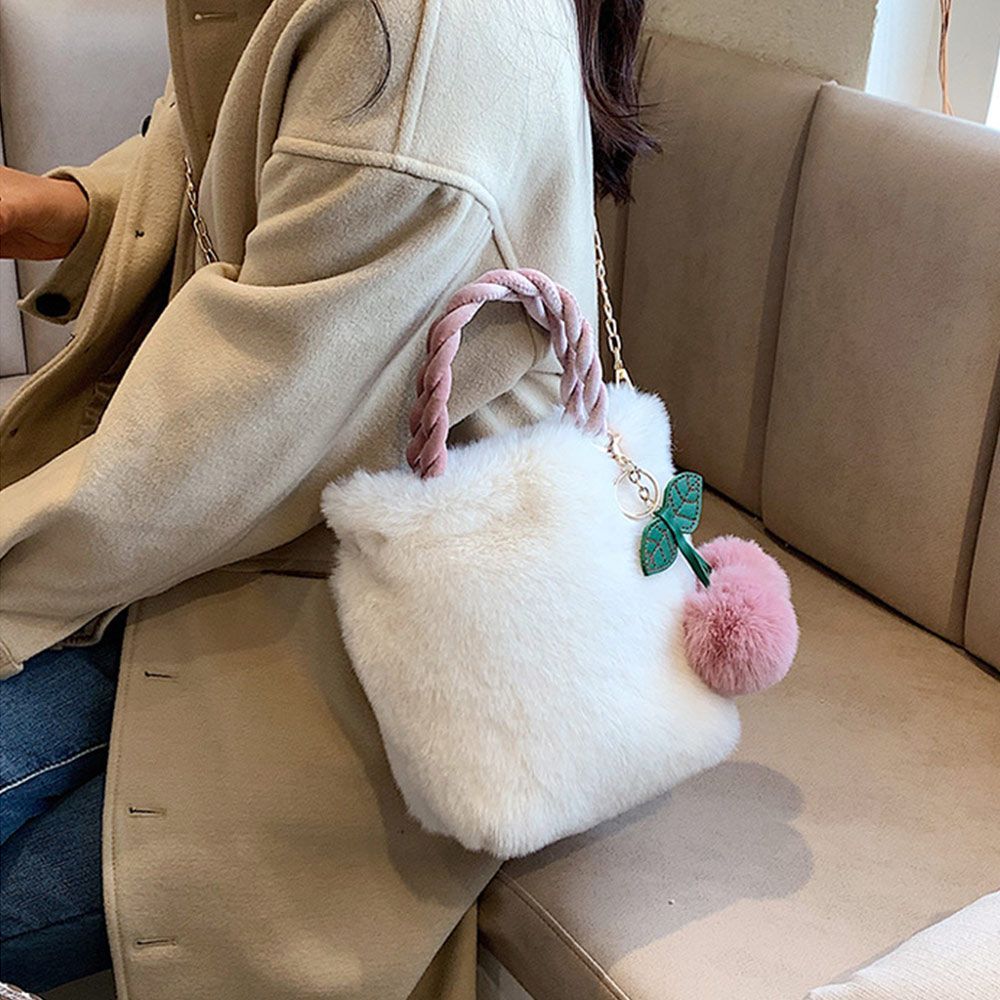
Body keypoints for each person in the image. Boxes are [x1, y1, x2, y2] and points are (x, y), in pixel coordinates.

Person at [0, 0, 654, 995]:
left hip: (370, 629)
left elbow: (232, 436)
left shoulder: (410, 36)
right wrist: (62, 210)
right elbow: (227, 151)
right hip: (237, 540)